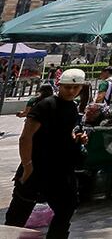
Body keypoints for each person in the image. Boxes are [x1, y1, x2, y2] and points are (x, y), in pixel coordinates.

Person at [5, 68, 89, 238]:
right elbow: (25, 137)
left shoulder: (72, 107)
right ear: (60, 86)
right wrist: (28, 166)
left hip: (60, 170)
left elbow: (65, 133)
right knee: (18, 215)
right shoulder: (46, 105)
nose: (71, 91)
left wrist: (78, 137)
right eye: (67, 87)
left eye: (75, 88)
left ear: (81, 88)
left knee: (67, 208)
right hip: (37, 168)